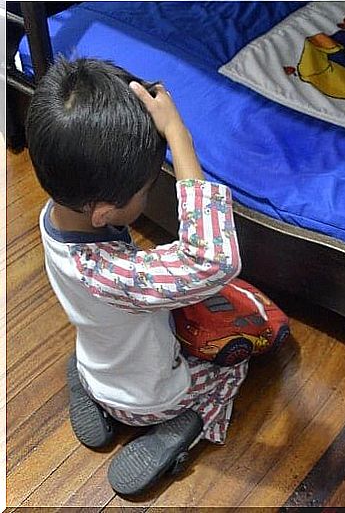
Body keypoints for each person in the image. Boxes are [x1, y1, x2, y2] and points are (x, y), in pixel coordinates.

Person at [25, 57, 279, 496]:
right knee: (236, 363)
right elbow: (213, 262)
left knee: (105, 332)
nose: (148, 193)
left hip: (97, 358)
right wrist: (179, 136)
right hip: (153, 397)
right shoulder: (112, 275)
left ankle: (87, 385)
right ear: (104, 211)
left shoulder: (54, 213)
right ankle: (185, 425)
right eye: (145, 190)